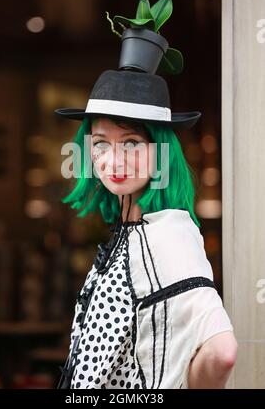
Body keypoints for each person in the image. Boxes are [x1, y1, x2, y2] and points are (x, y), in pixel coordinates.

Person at [54, 30, 237, 389]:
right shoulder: (131, 231)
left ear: (161, 152)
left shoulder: (168, 234)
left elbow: (222, 351)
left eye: (133, 142)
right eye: (102, 144)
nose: (114, 159)